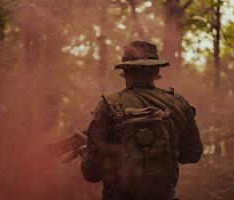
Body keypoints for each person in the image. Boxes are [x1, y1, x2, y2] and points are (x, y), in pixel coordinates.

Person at [81, 41, 203, 200]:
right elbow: (193, 155)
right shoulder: (178, 104)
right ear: (157, 69)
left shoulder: (107, 105)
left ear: (125, 70)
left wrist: (85, 154)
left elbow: (92, 173)